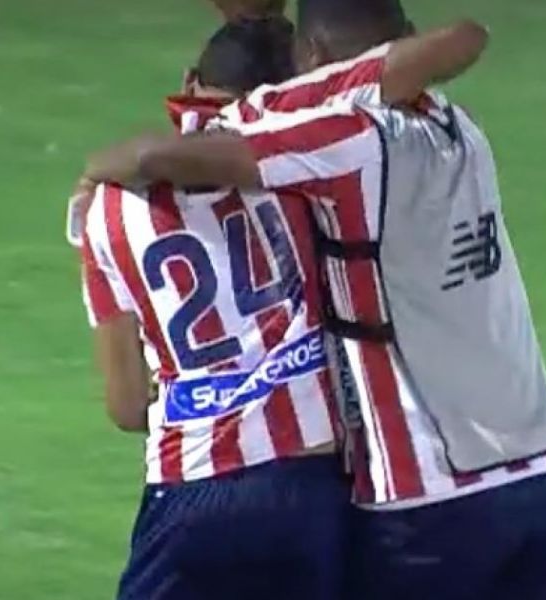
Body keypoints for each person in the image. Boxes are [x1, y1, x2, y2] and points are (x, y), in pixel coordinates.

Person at [82, 1, 546, 599]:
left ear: (317, 63)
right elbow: (466, 36)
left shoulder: (338, 144)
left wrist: (106, 168)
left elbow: (165, 157)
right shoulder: (464, 132)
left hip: (427, 503)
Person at [76, 16, 349, 600]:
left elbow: (127, 407)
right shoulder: (310, 166)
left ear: (188, 80)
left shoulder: (105, 207)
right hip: (314, 478)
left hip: (189, 489)